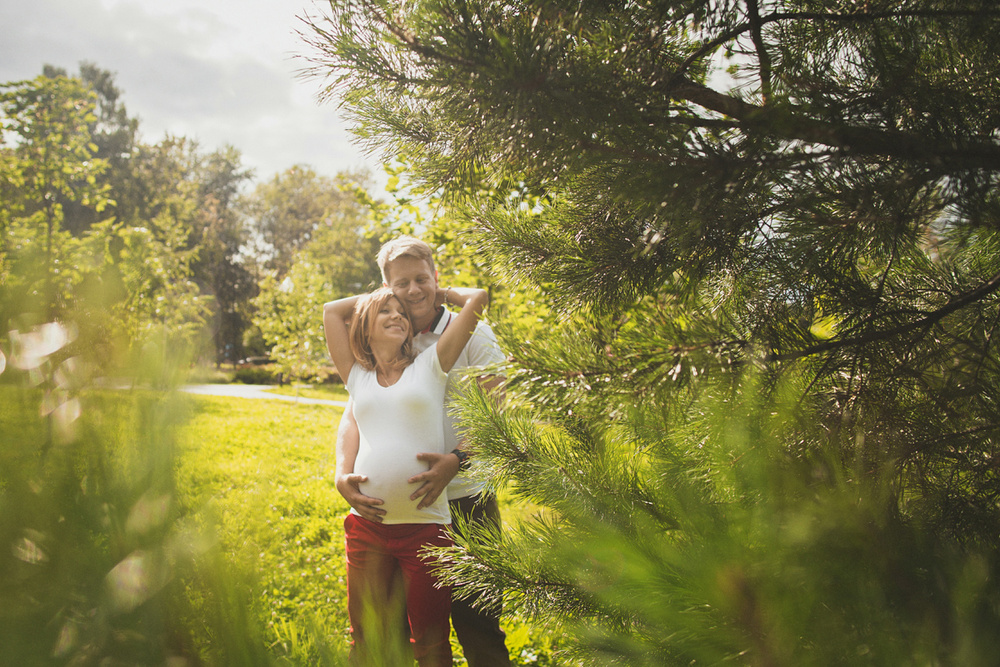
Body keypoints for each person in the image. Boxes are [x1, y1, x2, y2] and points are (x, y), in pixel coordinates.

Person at [335, 236, 512, 666]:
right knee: (393, 626)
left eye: (422, 279)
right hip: (400, 516)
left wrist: (457, 459)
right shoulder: (392, 336)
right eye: (401, 285)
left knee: (477, 623)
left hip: (466, 498)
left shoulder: (472, 332)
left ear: (436, 275)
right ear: (386, 289)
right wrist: (342, 470)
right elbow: (354, 413)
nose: (413, 291)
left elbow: (498, 405)